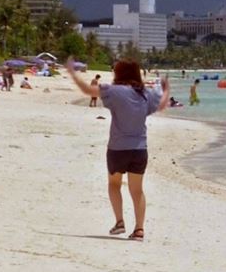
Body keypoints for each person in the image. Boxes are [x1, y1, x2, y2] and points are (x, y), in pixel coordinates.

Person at [66, 57, 169, 241]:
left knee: (114, 184)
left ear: (119, 73)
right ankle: (139, 230)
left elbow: (86, 90)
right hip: (139, 149)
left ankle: (120, 222)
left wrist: (72, 73)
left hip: (118, 148)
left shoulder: (114, 91)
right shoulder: (145, 93)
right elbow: (161, 104)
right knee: (137, 190)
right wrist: (166, 88)